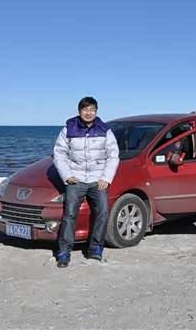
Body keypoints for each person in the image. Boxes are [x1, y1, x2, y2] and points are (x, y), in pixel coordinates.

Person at [53, 96, 120, 267]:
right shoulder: (68, 129)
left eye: (92, 110)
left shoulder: (105, 130)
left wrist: (106, 178)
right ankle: (64, 252)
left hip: (98, 180)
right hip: (75, 179)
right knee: (69, 215)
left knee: (102, 212)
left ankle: (96, 248)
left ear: (96, 111)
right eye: (85, 109)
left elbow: (113, 156)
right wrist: (67, 175)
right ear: (79, 111)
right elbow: (59, 154)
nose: (88, 113)